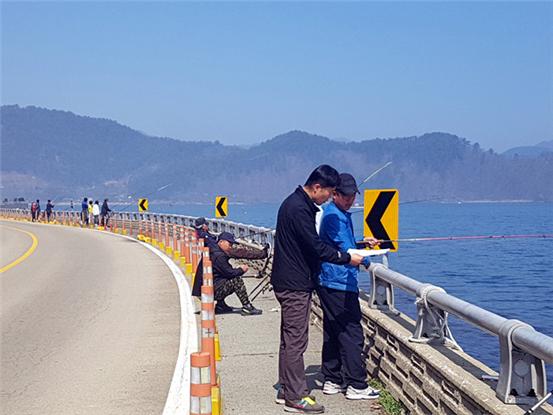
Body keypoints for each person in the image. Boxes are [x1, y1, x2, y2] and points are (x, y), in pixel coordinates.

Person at [271, 165, 364, 414]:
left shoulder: (293, 203)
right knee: (296, 341)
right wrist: (346, 258)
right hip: (294, 284)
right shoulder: (299, 209)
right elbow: (316, 247)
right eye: (329, 192)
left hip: (288, 280)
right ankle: (295, 397)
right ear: (317, 188)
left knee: (288, 340)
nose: (329, 198)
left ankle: (286, 389)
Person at [317, 173, 380, 400]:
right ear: (335, 194)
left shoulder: (340, 213)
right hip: (338, 281)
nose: (351, 200)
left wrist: (364, 243)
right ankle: (356, 384)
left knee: (333, 330)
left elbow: (344, 244)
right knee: (352, 331)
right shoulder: (334, 216)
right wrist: (367, 259)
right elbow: (346, 249)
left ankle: (332, 379)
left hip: (331, 280)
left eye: (353, 196)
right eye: (346, 196)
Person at [211, 231, 262, 316]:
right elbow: (230, 273)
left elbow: (225, 271)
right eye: (229, 243)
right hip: (209, 292)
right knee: (236, 280)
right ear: (221, 242)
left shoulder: (214, 250)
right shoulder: (219, 255)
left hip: (208, 289)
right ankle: (247, 307)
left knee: (223, 279)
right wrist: (241, 270)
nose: (231, 246)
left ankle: (220, 306)